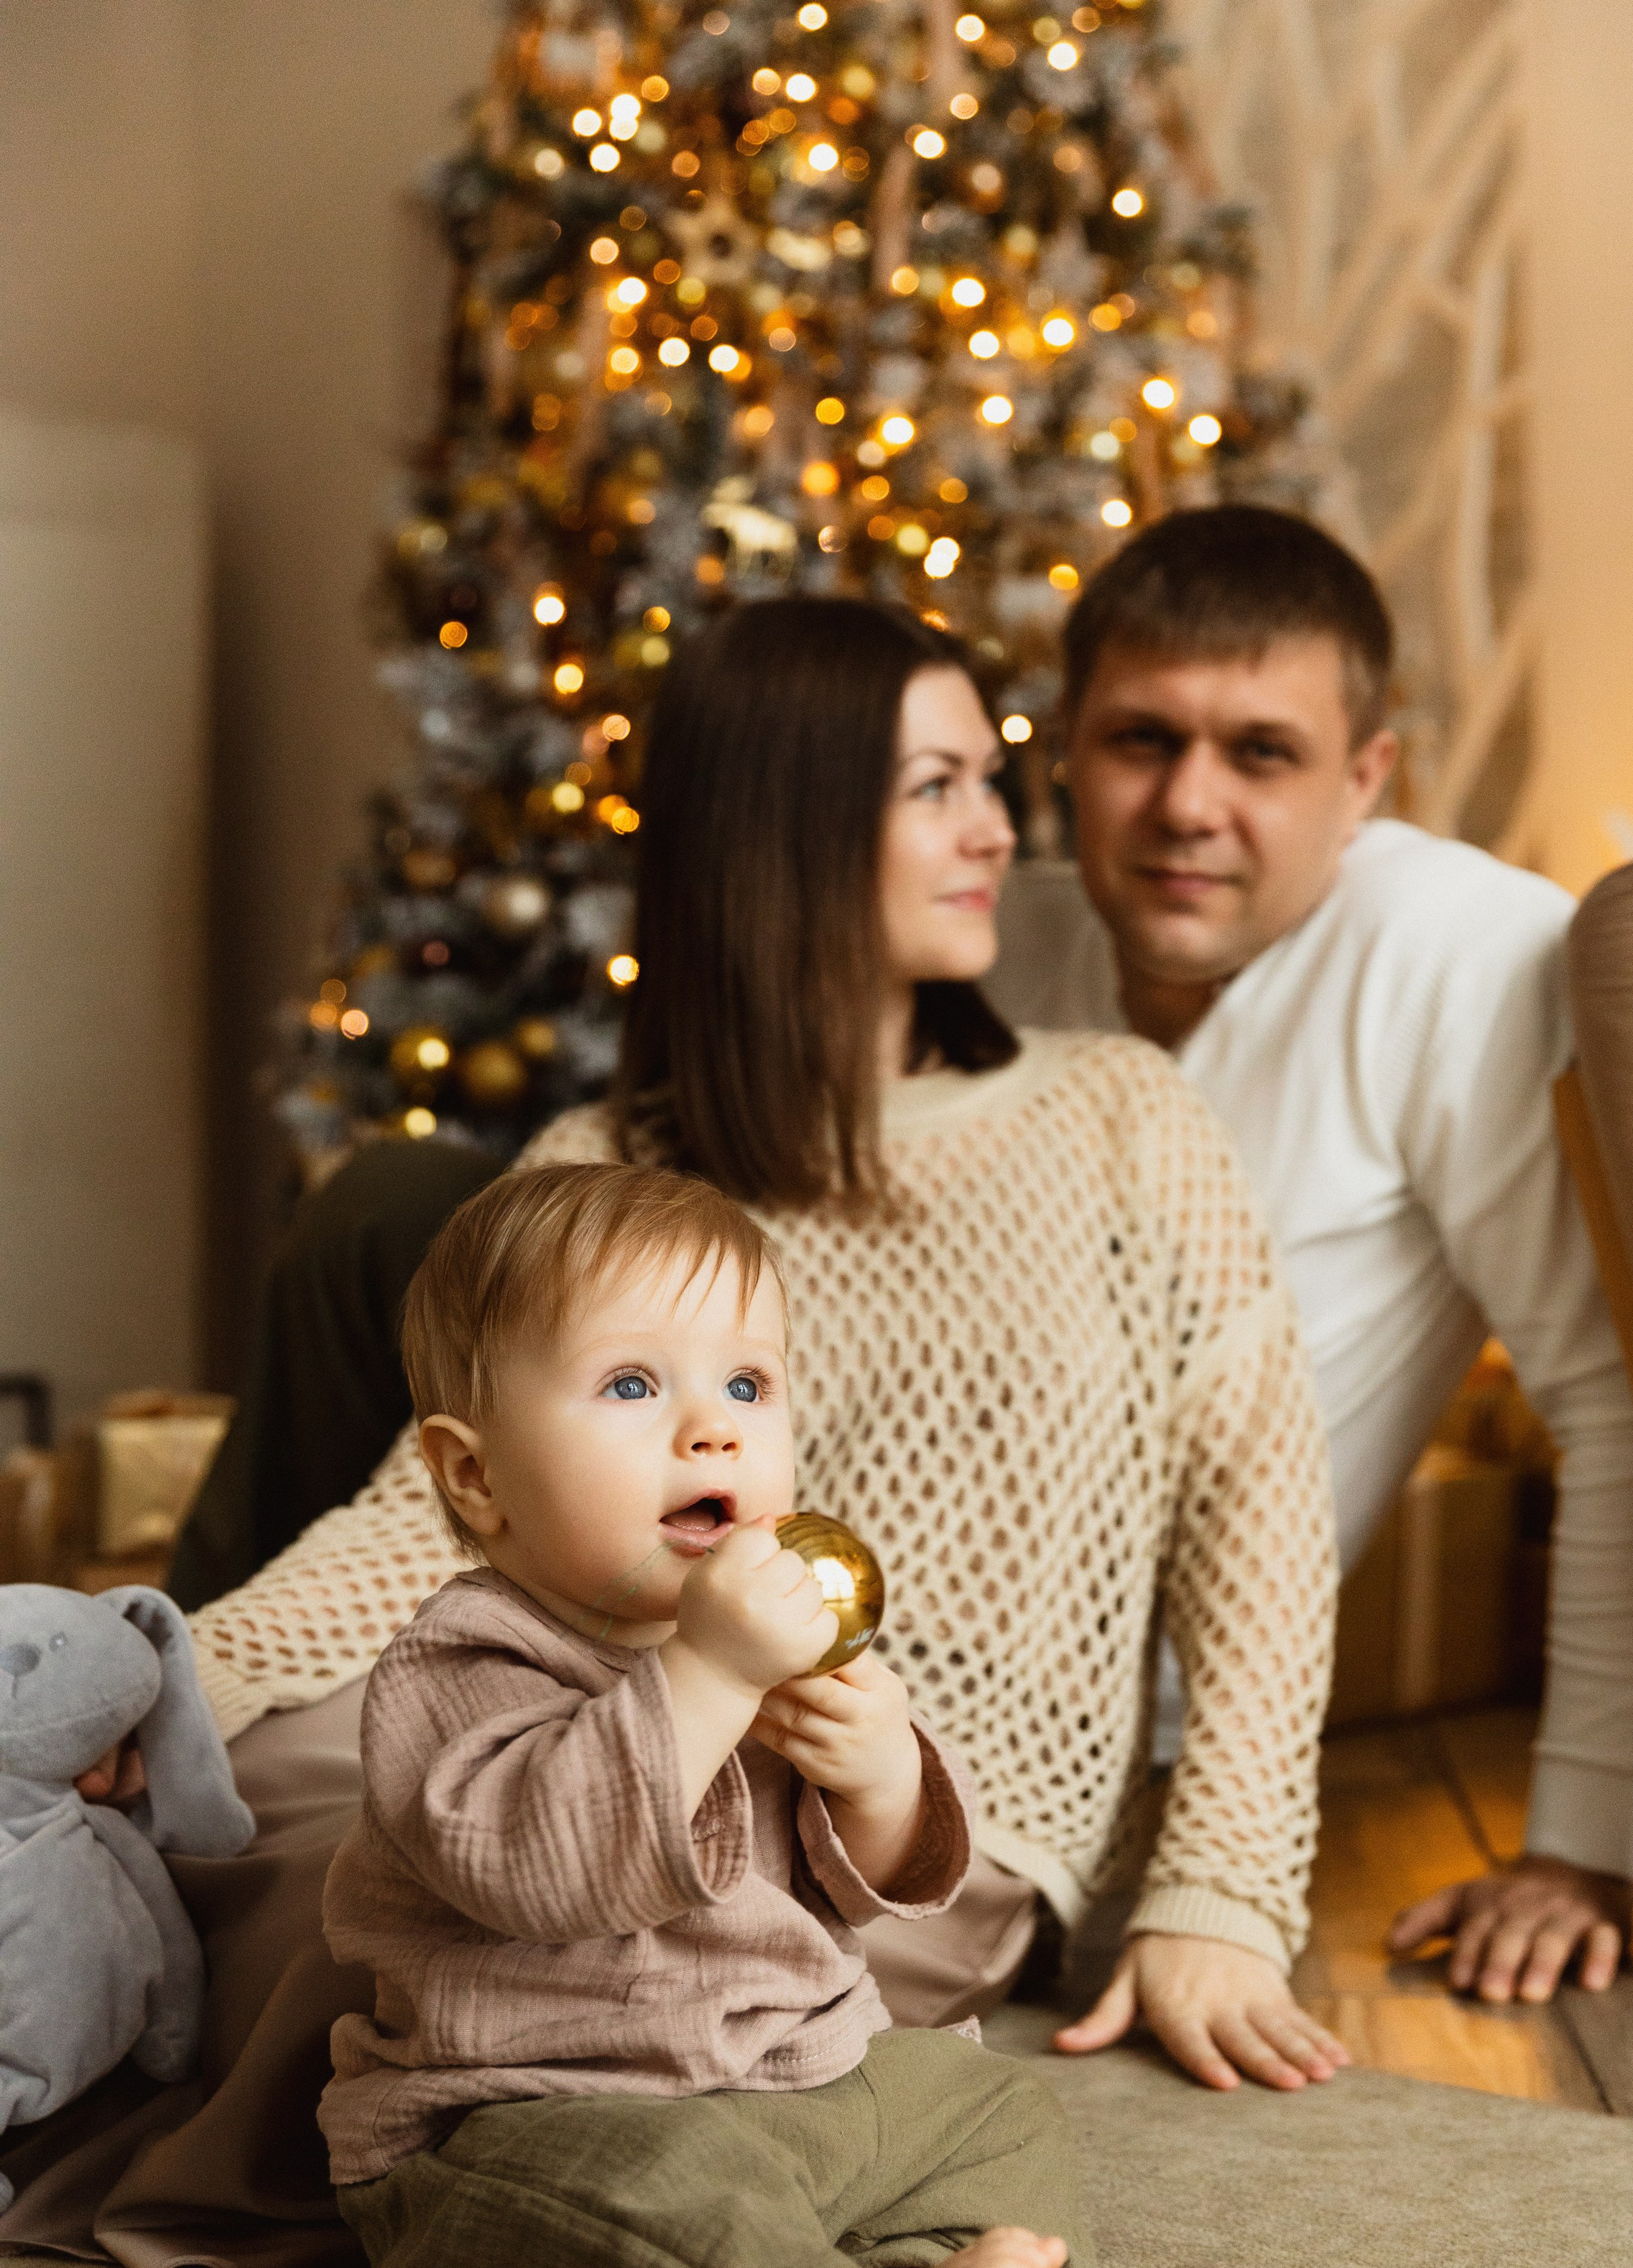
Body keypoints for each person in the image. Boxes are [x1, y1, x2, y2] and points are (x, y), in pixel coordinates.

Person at [185, 596, 1347, 2097]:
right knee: (242, 1851)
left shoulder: (1122, 1117)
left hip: (883, 1811)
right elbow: (426, 1526)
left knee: (479, 1983)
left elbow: (1257, 1516)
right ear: (777, 826)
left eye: (987, 782)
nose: (995, 832)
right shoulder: (596, 1159)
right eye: (935, 789)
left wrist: (1225, 1897)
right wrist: (182, 1682)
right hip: (566, 1724)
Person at [984, 505, 1633, 2006]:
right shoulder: (996, 941)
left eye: (1259, 752)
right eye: (1138, 740)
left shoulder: (1457, 951)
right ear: (1060, 749)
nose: (1187, 803)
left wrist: (1583, 1845)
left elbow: (1616, 1404)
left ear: (1362, 777)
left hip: (1104, 1755)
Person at [326, 1158, 1086, 2268]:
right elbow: (541, 1870)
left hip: (784, 2084)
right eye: (633, 1388)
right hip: (541, 2115)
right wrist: (706, 1682)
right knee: (630, 2219)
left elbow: (874, 1891)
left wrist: (881, 1779)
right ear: (476, 1476)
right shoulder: (464, 1658)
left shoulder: (753, 1649)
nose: (713, 1434)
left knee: (986, 2103)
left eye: (747, 1388)